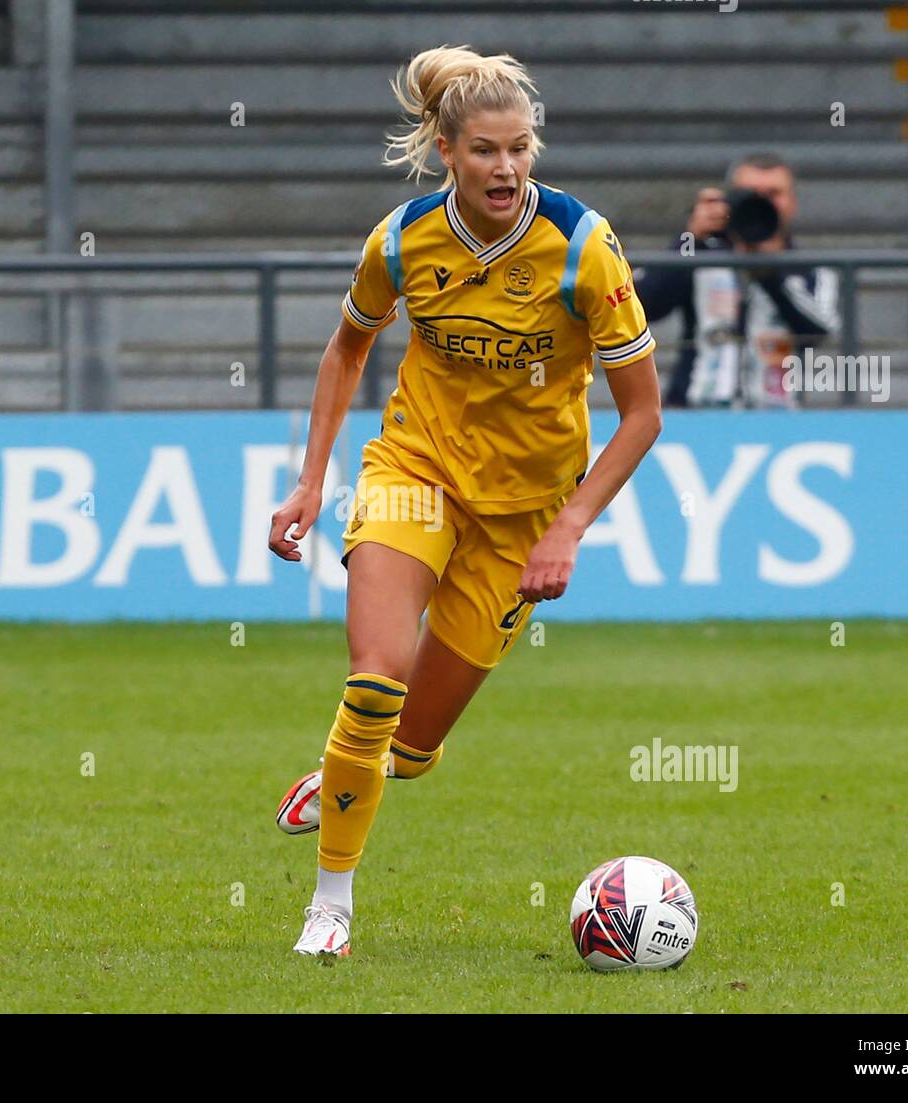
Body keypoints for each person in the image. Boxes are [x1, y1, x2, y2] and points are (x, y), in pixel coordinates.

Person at [267, 45, 662, 956]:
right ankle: (331, 905)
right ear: (448, 151)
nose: (509, 168)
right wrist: (309, 478)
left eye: (521, 147)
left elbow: (642, 415)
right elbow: (347, 349)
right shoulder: (402, 240)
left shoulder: (583, 247)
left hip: (525, 512)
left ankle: (346, 768)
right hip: (416, 471)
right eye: (487, 150)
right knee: (374, 678)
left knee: (409, 747)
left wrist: (569, 526)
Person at [636, 153, 840, 409]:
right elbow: (640, 307)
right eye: (751, 194)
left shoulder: (810, 270)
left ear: (792, 202)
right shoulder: (701, 257)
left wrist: (770, 270)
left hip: (777, 417)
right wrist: (689, 238)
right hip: (696, 413)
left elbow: (820, 330)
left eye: (773, 194)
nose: (762, 203)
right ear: (731, 201)